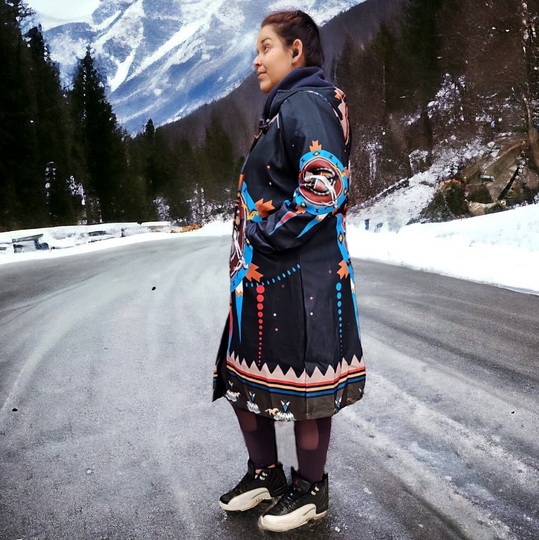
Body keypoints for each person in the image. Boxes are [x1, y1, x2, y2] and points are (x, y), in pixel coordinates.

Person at [212, 9, 366, 533]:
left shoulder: (305, 102)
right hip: (269, 280)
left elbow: (325, 184)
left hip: (301, 278)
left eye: (266, 48)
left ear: (295, 51)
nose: (256, 60)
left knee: (305, 386)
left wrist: (264, 236)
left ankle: (311, 489)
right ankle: (266, 476)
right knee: (243, 376)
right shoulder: (286, 107)